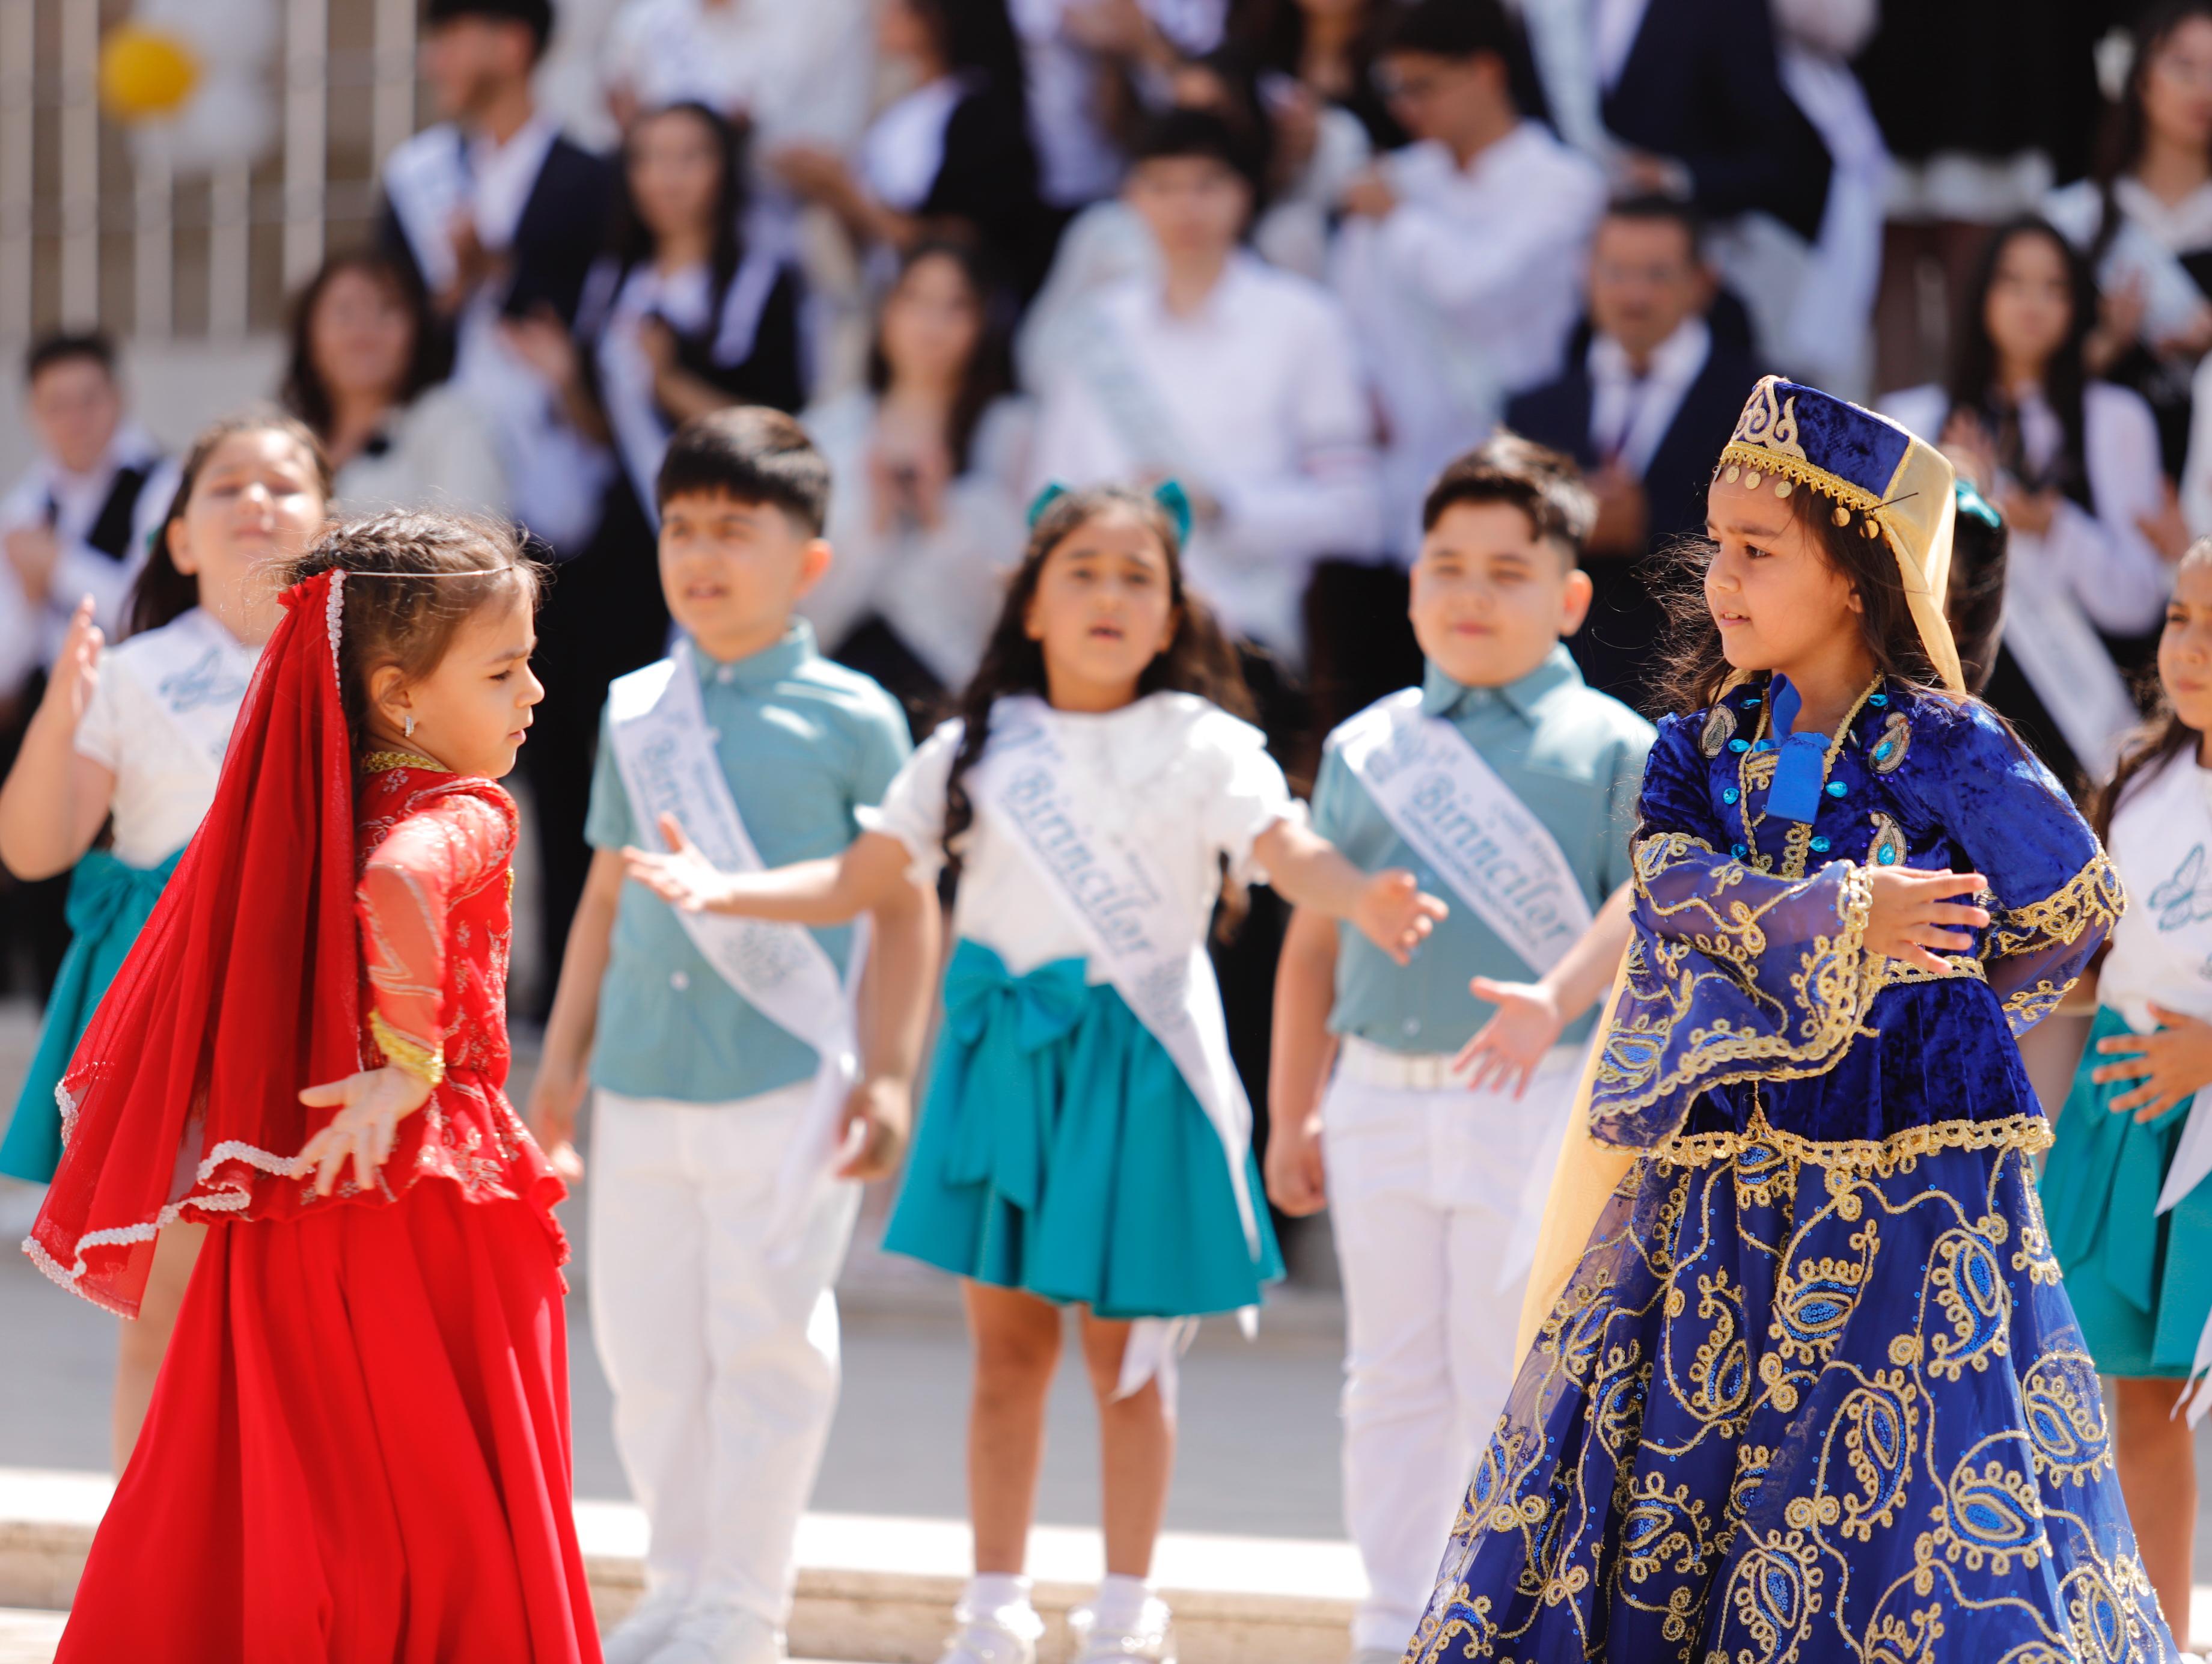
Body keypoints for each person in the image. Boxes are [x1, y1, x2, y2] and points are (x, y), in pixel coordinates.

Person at [1405, 374, 2175, 1662]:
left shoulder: (1953, 746)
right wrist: (1842, 915)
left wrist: (1945, 1000)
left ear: (1859, 574)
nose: (1722, 577)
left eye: (1758, 550)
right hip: (1718, 1184)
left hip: (1918, 1190)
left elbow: (2076, 907)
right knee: (1696, 1465)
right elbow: (1671, 888)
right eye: (1717, 545)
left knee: (1892, 1469)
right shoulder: (1693, 752)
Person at [623, 482, 1449, 1664]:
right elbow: (863, 878)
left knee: (1129, 1361)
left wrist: (1357, 893)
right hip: (1001, 1062)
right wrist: (728, 890)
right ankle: (995, 1608)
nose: (1108, 596)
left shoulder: (1207, 744)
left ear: (1170, 617)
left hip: (1140, 1066)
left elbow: (1286, 849)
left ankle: (1123, 1615)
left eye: (1135, 577)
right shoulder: (972, 748)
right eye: (1082, 571)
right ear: (1030, 604)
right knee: (1007, 1352)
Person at [28, 512, 599, 1662]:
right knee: (456, 1508)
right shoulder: (466, 809)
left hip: (293, 1190)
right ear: (398, 694)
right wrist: (410, 1057)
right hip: (431, 1191)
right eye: (503, 668)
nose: (535, 691)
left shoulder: (300, 818)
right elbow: (401, 887)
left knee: (302, 1498)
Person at [525, 408, 925, 1664]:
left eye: (734, 530)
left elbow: (906, 910)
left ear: (810, 557)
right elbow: (600, 893)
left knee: (765, 1344)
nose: (701, 555)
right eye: (681, 528)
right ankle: (679, 1586)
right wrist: (558, 1072)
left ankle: (744, 1612)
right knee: (644, 1354)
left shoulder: (858, 715)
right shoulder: (637, 707)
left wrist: (898, 1074)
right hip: (641, 1076)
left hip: (784, 1078)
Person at [1265, 435, 1655, 1664]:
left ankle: (1501, 1625)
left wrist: (1553, 993)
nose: (1473, 595)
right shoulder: (1370, 742)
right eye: (1446, 567)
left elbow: (1643, 901)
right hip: (1375, 1093)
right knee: (1387, 1374)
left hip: (1539, 1098)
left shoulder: (1614, 748)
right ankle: (1390, 1623)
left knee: (1514, 1368)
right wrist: (1291, 1111)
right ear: (1411, 584)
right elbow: (1311, 947)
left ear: (1570, 596)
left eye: (1506, 568)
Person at [0, 409, 329, 1472]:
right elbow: (37, 849)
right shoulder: (132, 673)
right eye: (226, 487)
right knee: (171, 1296)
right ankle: (156, 1572)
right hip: (174, 1020)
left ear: (330, 524)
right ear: (179, 538)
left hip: (314, 1008)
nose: (256, 503)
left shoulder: (358, 668)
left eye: (284, 484)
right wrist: (61, 710)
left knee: (299, 1310)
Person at [504, 97, 807, 1001]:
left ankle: (723, 970)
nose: (669, 177)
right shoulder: (612, 283)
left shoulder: (761, 280)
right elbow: (606, 434)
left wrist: (670, 378)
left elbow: (778, 431)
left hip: (723, 552)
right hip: (622, 555)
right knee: (583, 753)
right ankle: (577, 979)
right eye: (650, 158)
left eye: (692, 156)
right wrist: (567, 382)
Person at [1028, 108, 1381, 670]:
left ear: (1244, 194)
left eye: (1206, 185)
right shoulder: (1095, 329)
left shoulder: (1304, 321)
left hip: (1247, 637)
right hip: (1105, 640)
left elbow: (1356, 512)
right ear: (1132, 198)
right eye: (1162, 187)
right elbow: (1049, 499)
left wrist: (1222, 509)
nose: (1184, 208)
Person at [2039, 537, 2212, 1642]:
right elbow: (2098, 953)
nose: (2192, 648)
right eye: (2184, 618)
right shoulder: (2141, 776)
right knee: (2140, 1389)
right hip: (2124, 1118)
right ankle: (2155, 1625)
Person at [1884, 217, 2173, 794]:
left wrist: (2054, 527)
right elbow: (1884, 594)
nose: (2031, 304)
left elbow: (2141, 600)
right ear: (1981, 294)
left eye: (2055, 287)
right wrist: (1956, 500)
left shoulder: (2117, 420)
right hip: (1954, 716)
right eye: (2012, 283)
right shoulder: (1914, 420)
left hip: (2083, 733)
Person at [1329, 0, 1606, 562]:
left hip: (1513, 464)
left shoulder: (1564, 184)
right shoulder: (1398, 179)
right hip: (1395, 476)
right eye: (1394, 89)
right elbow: (1345, 312)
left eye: (1422, 86)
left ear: (1486, 71)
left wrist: (1399, 220)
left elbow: (1481, 291)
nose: (1406, 108)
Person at [377, 0, 616, 558]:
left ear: (512, 45)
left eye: (452, 38)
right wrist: (454, 293)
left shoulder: (594, 182)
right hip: (441, 475)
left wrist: (503, 271)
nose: (436, 62)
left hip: (570, 485)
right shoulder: (421, 175)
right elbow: (398, 315)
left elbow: (611, 318)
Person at [1506, 195, 1758, 710]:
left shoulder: (1760, 405)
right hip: (1560, 700)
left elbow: (1778, 548)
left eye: (1657, 275)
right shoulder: (1534, 412)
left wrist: (1648, 522)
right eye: (1616, 273)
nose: (1633, 296)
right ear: (1587, 276)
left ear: (1702, 282)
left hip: (1708, 696)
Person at [0, 332, 181, 995]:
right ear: (34, 413)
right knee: (44, 877)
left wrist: (54, 569)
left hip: (133, 715)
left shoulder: (164, 485)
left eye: (89, 400)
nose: (76, 419)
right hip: (50, 713)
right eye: (57, 405)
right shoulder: (25, 504)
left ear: (118, 398)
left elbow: (146, 606)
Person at [802, 241, 1032, 727]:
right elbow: (793, 598)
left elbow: (1021, 605)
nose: (933, 324)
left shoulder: (1011, 433)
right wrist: (876, 524)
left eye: (956, 306)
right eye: (915, 299)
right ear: (887, 309)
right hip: (836, 692)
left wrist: (941, 519)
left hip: (956, 702)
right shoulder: (829, 431)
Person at [767, 0, 1046, 299]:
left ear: (934, 19)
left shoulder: (979, 111)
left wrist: (843, 188)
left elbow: (960, 242)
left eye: (899, 8)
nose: (884, 15)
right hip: (882, 292)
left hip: (941, 305)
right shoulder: (903, 102)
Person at [2046, 0, 2212, 476]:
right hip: (2098, 486)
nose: (2204, 88)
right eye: (2184, 66)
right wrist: (2105, 345)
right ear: (2140, 78)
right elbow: (2022, 377)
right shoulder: (2076, 219)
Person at [281, 249, 507, 518]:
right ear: (309, 338)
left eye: (386, 309)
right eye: (344, 312)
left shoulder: (449, 420)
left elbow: (475, 541)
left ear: (417, 333)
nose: (363, 328)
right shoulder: (282, 442)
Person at [601, 0, 874, 159]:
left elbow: (816, 144)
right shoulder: (647, 18)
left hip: (763, 217)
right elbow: (619, 100)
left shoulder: (817, 16)